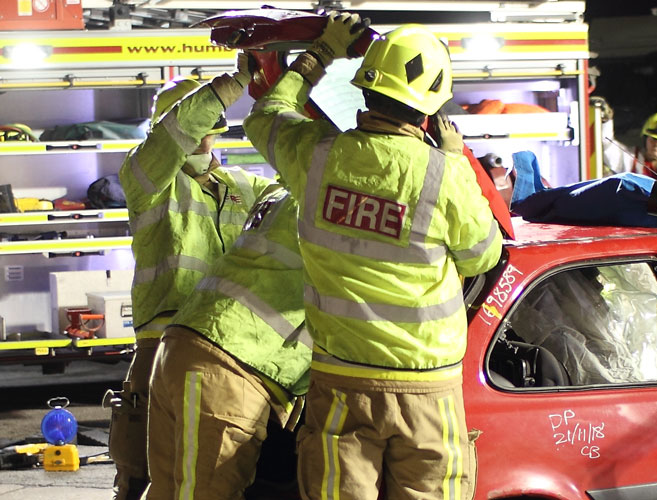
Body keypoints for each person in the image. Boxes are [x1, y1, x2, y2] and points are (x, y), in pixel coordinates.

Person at [243, 14, 503, 500]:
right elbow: (482, 256)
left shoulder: (316, 156)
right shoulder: (442, 174)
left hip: (341, 381)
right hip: (427, 388)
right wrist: (458, 162)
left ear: (364, 91)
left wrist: (318, 55)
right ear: (429, 112)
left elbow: (263, 116)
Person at [110, 61, 272, 500]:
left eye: (211, 130)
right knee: (140, 468)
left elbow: (300, 195)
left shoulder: (244, 185)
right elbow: (176, 133)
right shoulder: (147, 179)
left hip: (227, 351)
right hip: (160, 344)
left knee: (215, 473)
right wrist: (235, 83)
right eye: (196, 129)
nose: (204, 139)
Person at [145, 185, 312, 500]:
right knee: (208, 492)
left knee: (168, 491)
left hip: (186, 343)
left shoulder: (283, 193)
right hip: (234, 362)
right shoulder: (333, 206)